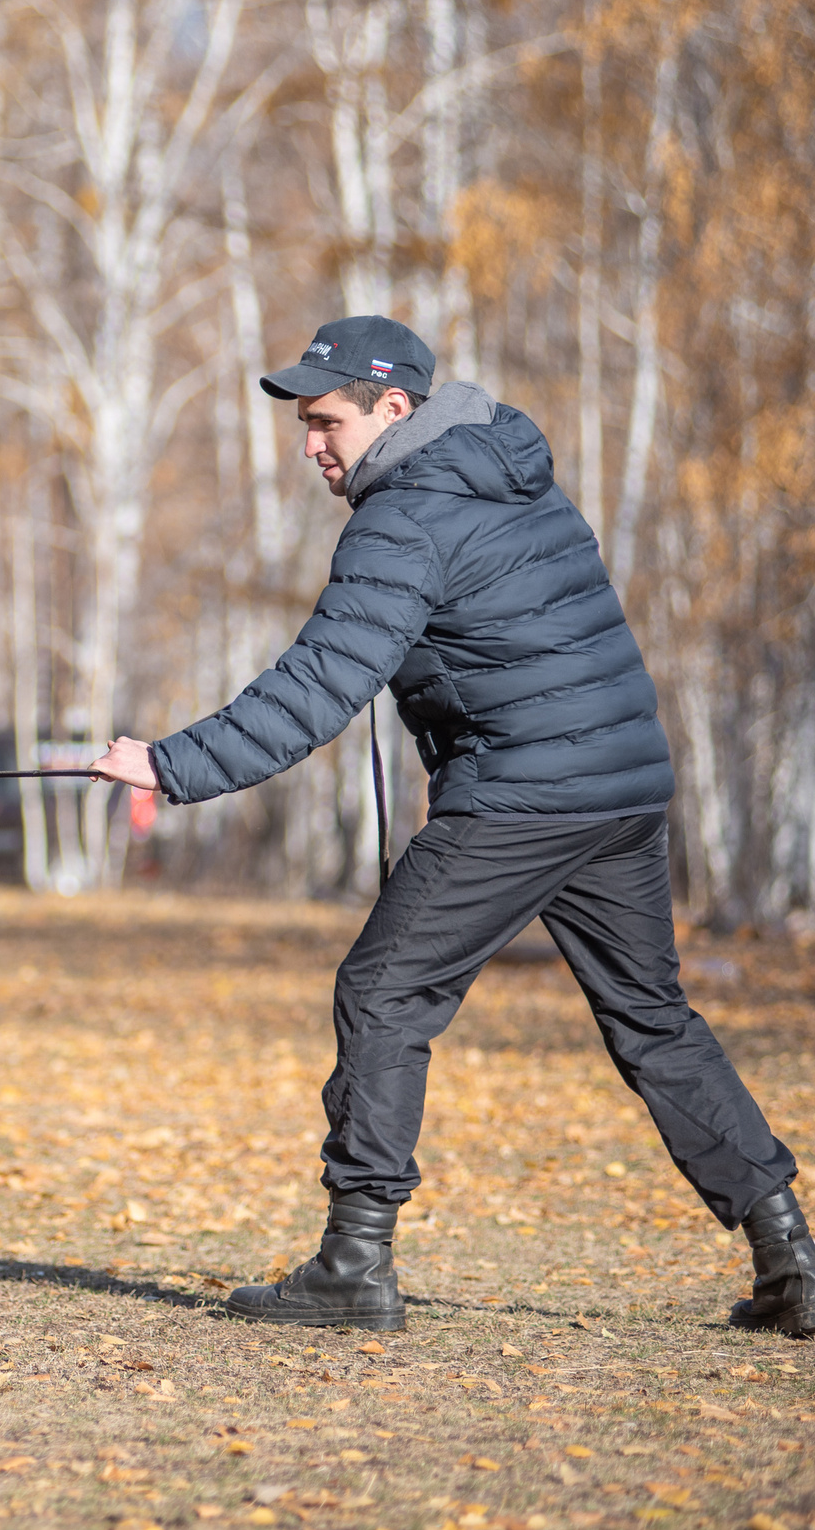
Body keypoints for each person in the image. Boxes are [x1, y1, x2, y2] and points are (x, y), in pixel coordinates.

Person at [89, 314, 812, 1336]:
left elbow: (316, 684)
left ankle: (353, 1260)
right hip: (618, 787)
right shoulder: (509, 475)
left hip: (522, 793)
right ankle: (790, 1255)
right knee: (653, 1020)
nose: (311, 446)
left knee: (383, 989)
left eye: (325, 421)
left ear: (394, 408)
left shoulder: (405, 516)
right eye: (302, 425)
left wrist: (166, 763)